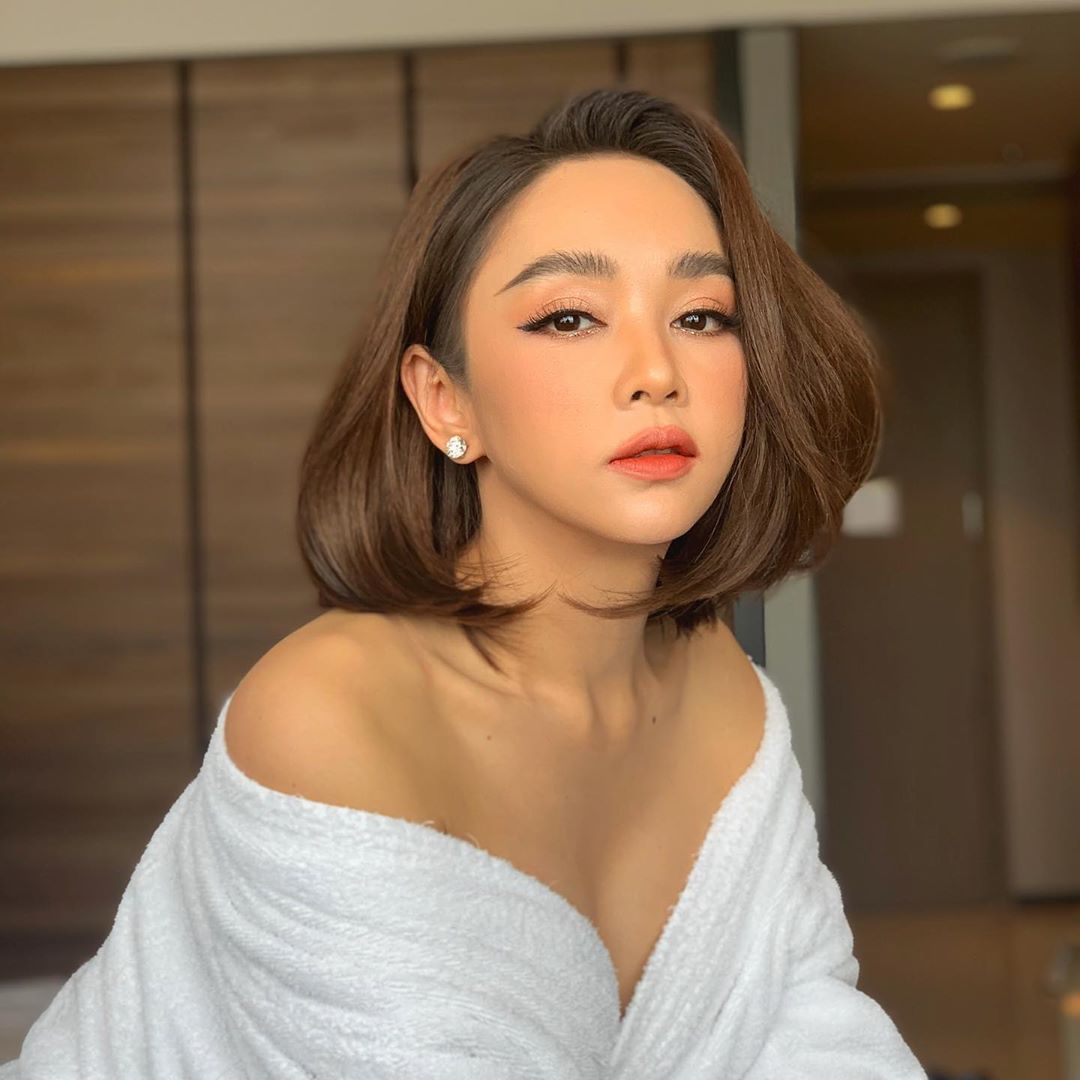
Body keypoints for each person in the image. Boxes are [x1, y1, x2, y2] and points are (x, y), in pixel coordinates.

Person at [2, 87, 927, 1078]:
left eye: (701, 315)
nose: (657, 371)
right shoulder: (332, 717)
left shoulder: (728, 701)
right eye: (569, 317)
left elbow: (819, 1037)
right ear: (445, 400)